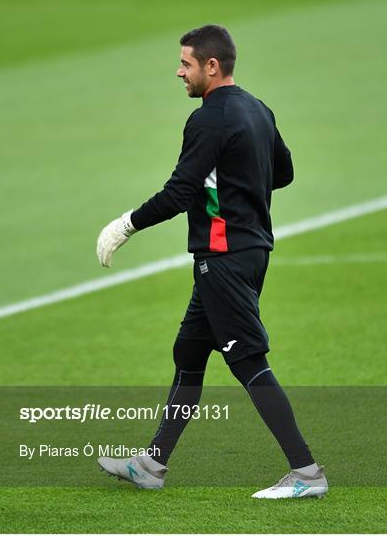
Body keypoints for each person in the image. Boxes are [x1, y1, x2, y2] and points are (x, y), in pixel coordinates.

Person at [96, 24, 328, 499]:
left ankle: (306, 473)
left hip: (223, 257)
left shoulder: (209, 119)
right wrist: (239, 187)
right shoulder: (257, 109)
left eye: (185, 64)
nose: (178, 72)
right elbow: (282, 172)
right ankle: (152, 464)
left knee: (247, 361)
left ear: (211, 66)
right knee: (189, 354)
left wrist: (125, 225)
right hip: (247, 251)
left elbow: (181, 191)